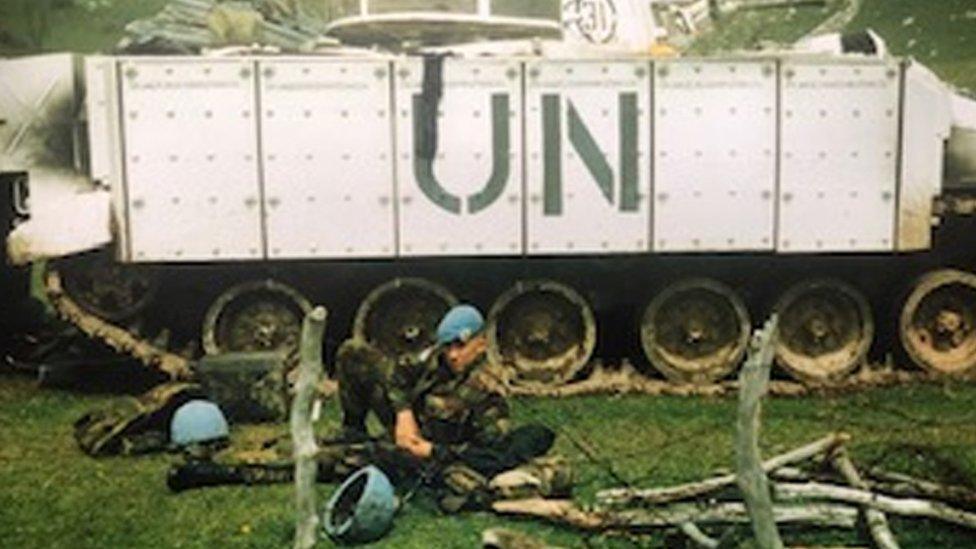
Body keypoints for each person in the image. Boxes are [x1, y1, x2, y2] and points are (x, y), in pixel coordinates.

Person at [335, 304, 571, 510]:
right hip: (409, 428)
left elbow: (487, 455)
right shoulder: (437, 359)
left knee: (336, 461)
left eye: (460, 346)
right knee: (353, 352)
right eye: (448, 346)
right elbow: (398, 373)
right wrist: (403, 414)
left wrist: (431, 450)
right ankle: (352, 430)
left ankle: (349, 453)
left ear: (481, 343)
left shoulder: (489, 392)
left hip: (431, 454)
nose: (453, 355)